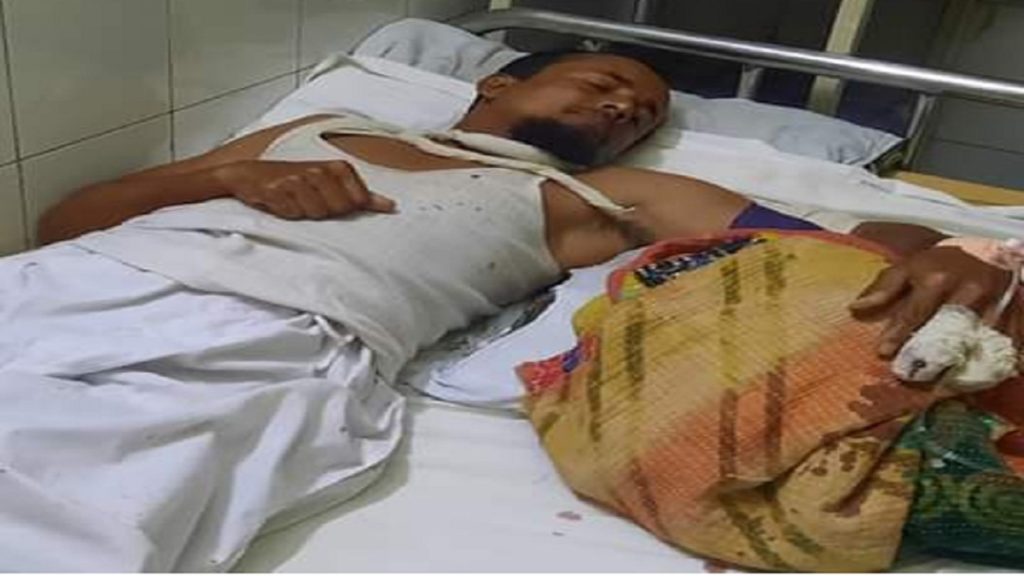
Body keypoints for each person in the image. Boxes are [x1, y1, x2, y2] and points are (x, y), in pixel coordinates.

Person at [1, 51, 1014, 571]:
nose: (621, 111)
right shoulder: (323, 124)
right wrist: (228, 176)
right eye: (607, 84)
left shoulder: (604, 197)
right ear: (495, 80)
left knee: (64, 517)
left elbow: (842, 241)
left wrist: (947, 252)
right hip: (75, 280)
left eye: (639, 118)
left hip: (273, 341)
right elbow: (62, 218)